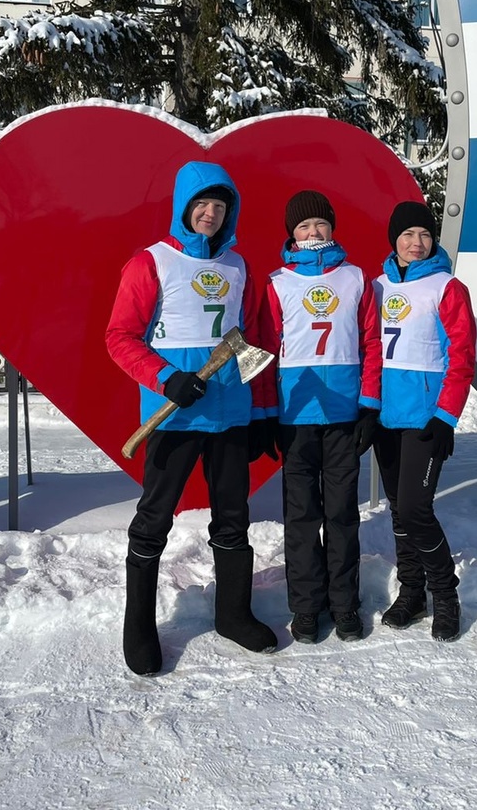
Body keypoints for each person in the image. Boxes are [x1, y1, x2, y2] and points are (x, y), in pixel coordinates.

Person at [106, 160, 279, 675]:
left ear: (230, 213)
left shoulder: (238, 266)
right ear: (184, 207)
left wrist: (261, 409)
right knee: (155, 518)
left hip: (230, 416)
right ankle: (137, 624)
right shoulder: (150, 262)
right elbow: (119, 338)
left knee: (233, 518)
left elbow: (249, 340)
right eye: (201, 204)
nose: (209, 214)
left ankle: (233, 613)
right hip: (175, 418)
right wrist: (166, 378)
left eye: (219, 206)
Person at [261, 191, 382, 644]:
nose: (313, 233)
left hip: (343, 416)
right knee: (301, 517)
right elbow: (265, 353)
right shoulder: (277, 282)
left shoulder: (356, 278)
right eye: (304, 226)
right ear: (291, 233)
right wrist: (266, 413)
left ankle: (344, 604)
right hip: (295, 417)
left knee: (342, 515)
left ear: (332, 228)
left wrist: (369, 405)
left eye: (320, 224)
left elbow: (372, 346)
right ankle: (307, 608)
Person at [370, 200, 476, 642]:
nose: (416, 243)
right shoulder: (375, 287)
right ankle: (412, 591)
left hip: (425, 419)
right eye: (408, 235)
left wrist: (446, 416)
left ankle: (445, 594)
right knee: (398, 510)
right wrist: (365, 407)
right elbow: (369, 352)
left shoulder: (446, 287)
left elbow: (462, 357)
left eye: (425, 235)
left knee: (416, 507)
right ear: (394, 240)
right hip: (384, 417)